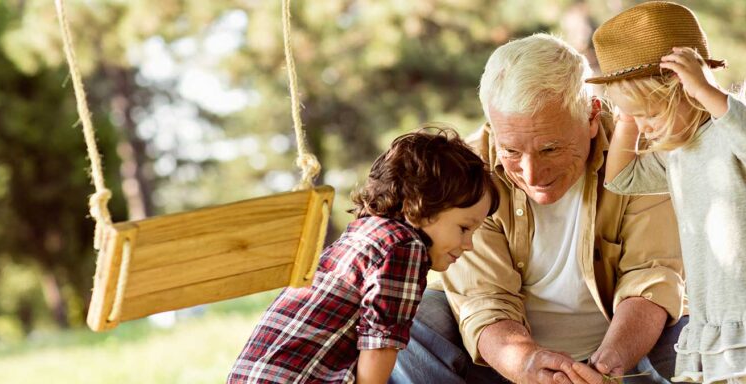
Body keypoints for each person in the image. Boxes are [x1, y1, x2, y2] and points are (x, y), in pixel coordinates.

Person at [391, 34, 687, 384]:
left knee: (705, 332)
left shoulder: (642, 153)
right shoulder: (467, 174)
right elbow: (485, 299)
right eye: (512, 151)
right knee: (412, 318)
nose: (531, 175)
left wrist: (608, 366)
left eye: (549, 149)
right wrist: (526, 365)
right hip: (505, 363)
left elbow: (651, 277)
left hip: (630, 353)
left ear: (592, 117)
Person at [589, 2, 746, 383]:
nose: (644, 128)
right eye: (637, 118)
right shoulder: (674, 152)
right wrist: (628, 117)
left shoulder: (728, 134)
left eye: (651, 113)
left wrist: (706, 88)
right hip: (714, 314)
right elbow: (621, 179)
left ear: (685, 90)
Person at [227, 126, 500, 384]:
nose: (469, 245)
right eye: (464, 228)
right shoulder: (404, 249)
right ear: (422, 208)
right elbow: (380, 345)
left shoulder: (364, 234)